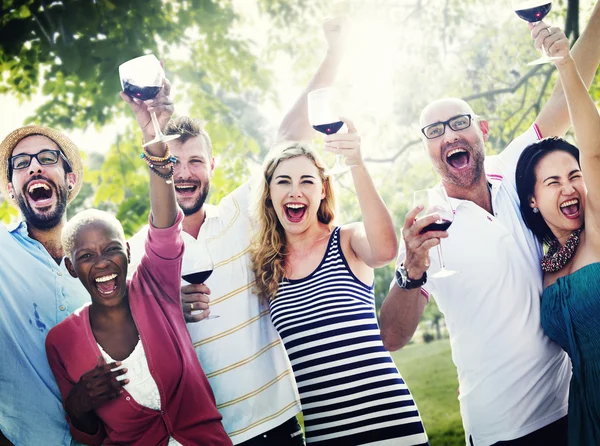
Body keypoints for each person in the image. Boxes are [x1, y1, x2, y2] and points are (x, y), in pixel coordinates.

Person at [379, 7, 600, 446]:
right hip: (500, 427)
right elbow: (393, 335)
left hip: (570, 404)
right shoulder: (428, 225)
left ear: (481, 130)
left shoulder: (520, 170)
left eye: (459, 123)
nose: (448, 135)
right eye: (434, 130)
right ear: (427, 149)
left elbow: (569, 94)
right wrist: (411, 270)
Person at [126, 19, 348, 446]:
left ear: (213, 166)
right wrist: (173, 307)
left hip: (277, 423)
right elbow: (135, 331)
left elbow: (288, 135)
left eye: (195, 161)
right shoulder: (142, 247)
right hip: (204, 437)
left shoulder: (240, 214)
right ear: (158, 167)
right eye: (173, 163)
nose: (184, 174)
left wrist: (334, 54)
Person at [44, 75, 231, 445]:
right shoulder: (60, 342)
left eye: (111, 249)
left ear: (129, 251)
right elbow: (89, 438)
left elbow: (165, 224)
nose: (102, 263)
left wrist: (153, 139)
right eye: (86, 256)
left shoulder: (155, 287)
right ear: (70, 267)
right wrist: (78, 404)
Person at [249, 134, 428, 445]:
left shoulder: (346, 239)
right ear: (269, 194)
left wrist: (356, 162)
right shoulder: (267, 267)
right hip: (325, 435)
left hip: (391, 426)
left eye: (307, 181)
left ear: (322, 190)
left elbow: (385, 251)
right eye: (283, 182)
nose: (295, 191)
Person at [515, 40, 600, 445]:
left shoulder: (598, 226)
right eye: (553, 182)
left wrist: (565, 64)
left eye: (575, 175)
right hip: (585, 412)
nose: (569, 187)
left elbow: (596, 152)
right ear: (533, 200)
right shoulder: (543, 264)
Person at [0, 124, 87, 445]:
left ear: (70, 179)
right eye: (21, 163)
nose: (34, 166)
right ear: (11, 189)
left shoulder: (102, 261)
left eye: (47, 158)